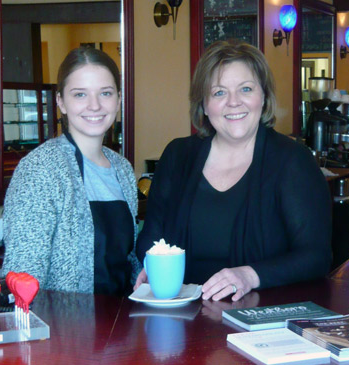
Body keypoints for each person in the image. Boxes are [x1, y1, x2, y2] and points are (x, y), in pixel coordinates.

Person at [135, 40, 332, 301]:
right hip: (182, 317)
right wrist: (153, 267)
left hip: (261, 322)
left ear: (263, 97)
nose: (234, 102)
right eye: (219, 93)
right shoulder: (178, 156)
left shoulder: (292, 160)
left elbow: (316, 257)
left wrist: (250, 275)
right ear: (204, 105)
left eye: (246, 89)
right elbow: (151, 236)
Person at [3, 47, 140, 294]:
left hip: (124, 324)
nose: (94, 105)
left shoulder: (123, 168)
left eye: (105, 93)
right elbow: (22, 277)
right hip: (67, 329)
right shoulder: (40, 169)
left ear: (118, 99)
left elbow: (127, 261)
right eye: (80, 95)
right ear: (61, 102)